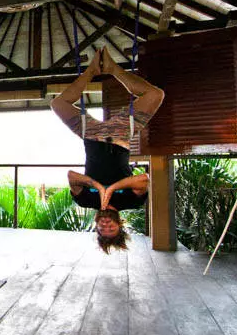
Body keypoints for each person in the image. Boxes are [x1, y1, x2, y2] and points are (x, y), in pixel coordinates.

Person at [51, 47, 164, 253]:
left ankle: (91, 71)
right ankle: (113, 69)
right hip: (120, 134)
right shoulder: (131, 201)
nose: (105, 225)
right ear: (119, 224)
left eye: (102, 229)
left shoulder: (86, 200)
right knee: (155, 94)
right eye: (111, 228)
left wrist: (97, 186)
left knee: (58, 103)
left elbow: (72, 177)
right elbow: (144, 179)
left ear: (96, 226)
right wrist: (110, 189)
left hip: (91, 134)